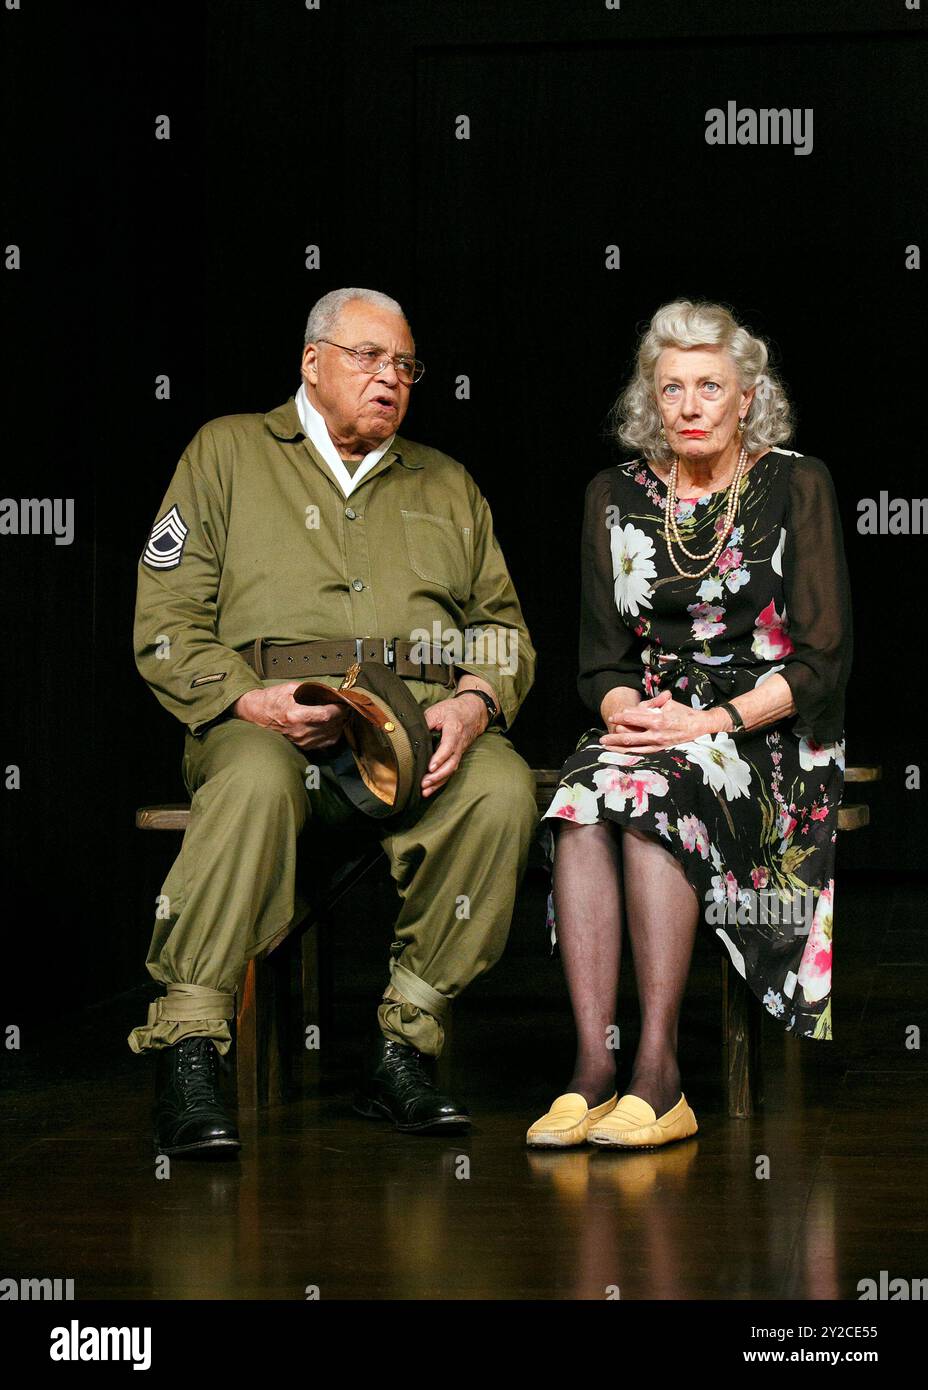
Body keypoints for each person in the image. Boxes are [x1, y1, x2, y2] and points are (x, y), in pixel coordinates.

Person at [130, 286, 537, 1157]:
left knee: (501, 785)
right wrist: (247, 699)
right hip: (269, 722)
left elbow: (502, 630)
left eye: (405, 365)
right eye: (368, 357)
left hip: (417, 727)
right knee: (248, 776)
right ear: (312, 362)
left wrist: (472, 704)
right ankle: (193, 1048)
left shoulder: (447, 483)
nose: (390, 378)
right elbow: (165, 618)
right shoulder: (226, 453)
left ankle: (405, 1050)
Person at [527, 299, 852, 1150]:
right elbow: (599, 661)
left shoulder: (796, 481)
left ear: (748, 398)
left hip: (764, 734)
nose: (692, 405)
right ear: (651, 400)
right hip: (654, 721)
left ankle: (660, 1074)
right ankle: (594, 1068)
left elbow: (822, 661)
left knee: (647, 797)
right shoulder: (614, 494)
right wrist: (631, 717)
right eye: (672, 389)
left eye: (711, 386)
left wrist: (706, 722)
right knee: (583, 792)